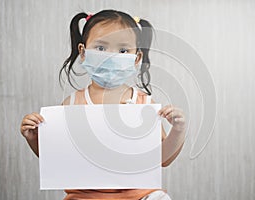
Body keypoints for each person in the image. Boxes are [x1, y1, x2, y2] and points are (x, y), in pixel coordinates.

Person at [20, 10, 186, 200]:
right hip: (84, 197)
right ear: (83, 52)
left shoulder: (144, 104)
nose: (110, 57)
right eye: (100, 48)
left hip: (139, 195)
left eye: (123, 51)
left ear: (136, 58)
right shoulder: (72, 104)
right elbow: (59, 157)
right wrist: (33, 138)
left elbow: (163, 159)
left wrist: (178, 130)